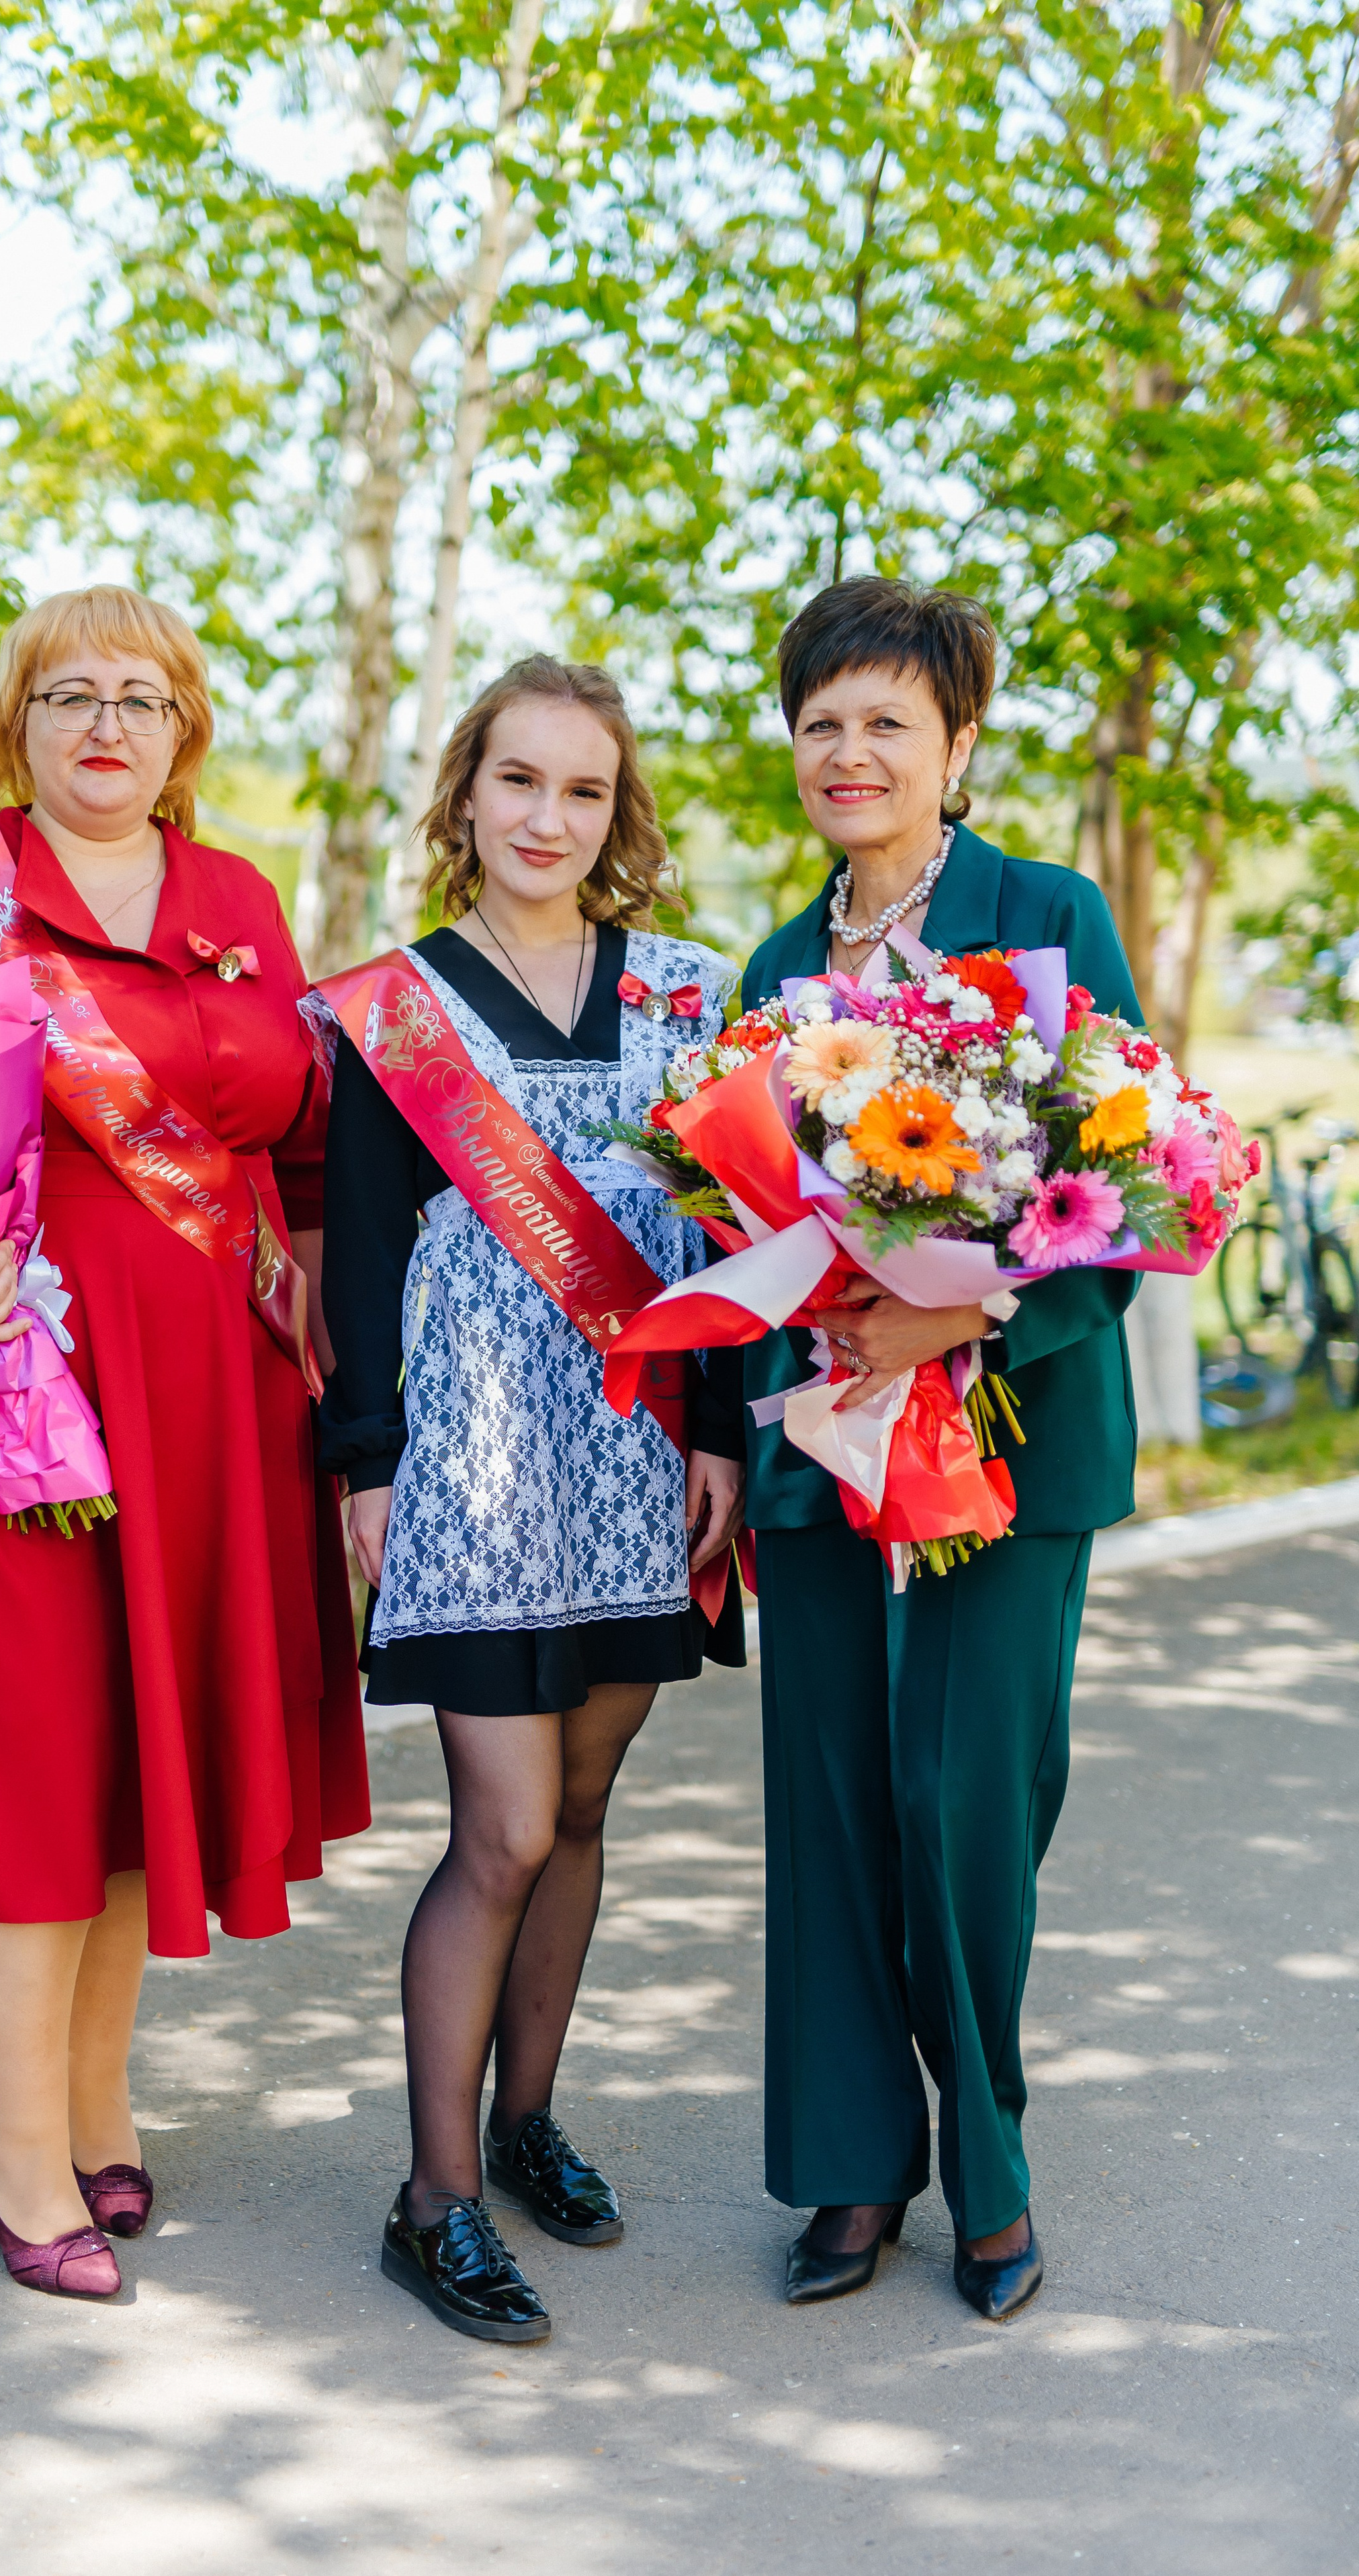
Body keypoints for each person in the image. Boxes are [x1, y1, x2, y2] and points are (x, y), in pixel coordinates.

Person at [0, 584, 368, 2299]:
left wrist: (311, 1294)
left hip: (209, 1397)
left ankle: (91, 2107)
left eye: (142, 700)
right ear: (13, 723)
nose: (105, 725)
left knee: (121, 1760)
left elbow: (300, 1134)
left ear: (184, 733)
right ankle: (18, 2160)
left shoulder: (238, 896)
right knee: (30, 1761)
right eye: (67, 696)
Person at [316, 655, 747, 2343]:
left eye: (581, 789)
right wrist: (366, 1460)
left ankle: (523, 2127)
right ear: (465, 795)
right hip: (475, 1454)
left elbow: (724, 1233)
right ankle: (430, 2203)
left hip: (637, 1445)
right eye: (517, 782)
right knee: (495, 1829)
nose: (546, 818)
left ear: (613, 808)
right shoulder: (392, 1009)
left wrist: (715, 1426)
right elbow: (355, 1252)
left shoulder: (690, 1000)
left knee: (578, 1812)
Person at [741, 577, 1140, 2323]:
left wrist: (960, 1325)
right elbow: (738, 1207)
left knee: (964, 1803)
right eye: (823, 720)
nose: (852, 750)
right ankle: (851, 2165)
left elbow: (1123, 1189)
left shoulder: (1045, 915)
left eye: (889, 719)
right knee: (832, 1809)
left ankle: (987, 2163)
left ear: (958, 744)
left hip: (1009, 1436)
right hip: (825, 1448)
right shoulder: (776, 967)